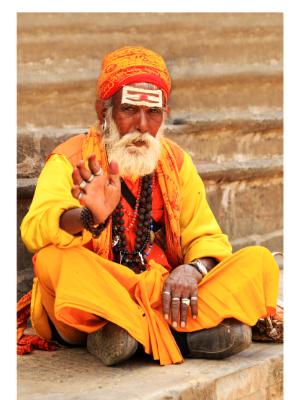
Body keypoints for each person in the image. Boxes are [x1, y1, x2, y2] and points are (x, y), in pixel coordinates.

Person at [20, 46, 279, 366]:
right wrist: (89, 216)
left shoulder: (176, 162)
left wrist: (193, 269)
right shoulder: (71, 159)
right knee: (52, 261)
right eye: (129, 109)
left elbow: (206, 236)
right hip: (102, 293)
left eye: (153, 112)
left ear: (164, 115)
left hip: (162, 290)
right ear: (104, 112)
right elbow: (36, 230)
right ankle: (183, 335)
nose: (142, 124)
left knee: (259, 261)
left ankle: (128, 333)